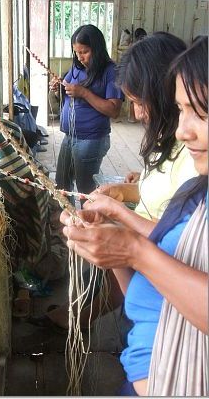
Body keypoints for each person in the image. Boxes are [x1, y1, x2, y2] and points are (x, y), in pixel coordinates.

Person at [60, 36, 208, 396]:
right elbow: (152, 274)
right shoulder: (197, 189)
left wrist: (128, 241)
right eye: (181, 109)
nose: (182, 129)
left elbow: (163, 255)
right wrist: (116, 245)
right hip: (147, 361)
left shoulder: (195, 169)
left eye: (199, 113)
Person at [28, 33, 197, 335]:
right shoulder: (171, 142)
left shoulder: (195, 158)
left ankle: (78, 317)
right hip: (146, 286)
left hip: (160, 296)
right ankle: (78, 315)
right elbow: (166, 199)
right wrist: (120, 195)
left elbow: (183, 240)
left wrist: (120, 226)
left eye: (139, 102)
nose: (136, 114)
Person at [50, 24, 124, 203]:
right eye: (76, 52)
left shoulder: (110, 71)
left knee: (86, 189)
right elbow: (68, 92)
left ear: (96, 49)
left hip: (91, 139)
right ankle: (69, 223)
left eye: (84, 52)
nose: (79, 57)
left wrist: (83, 93)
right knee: (62, 184)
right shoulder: (77, 68)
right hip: (70, 136)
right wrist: (58, 88)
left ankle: (90, 226)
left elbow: (114, 110)